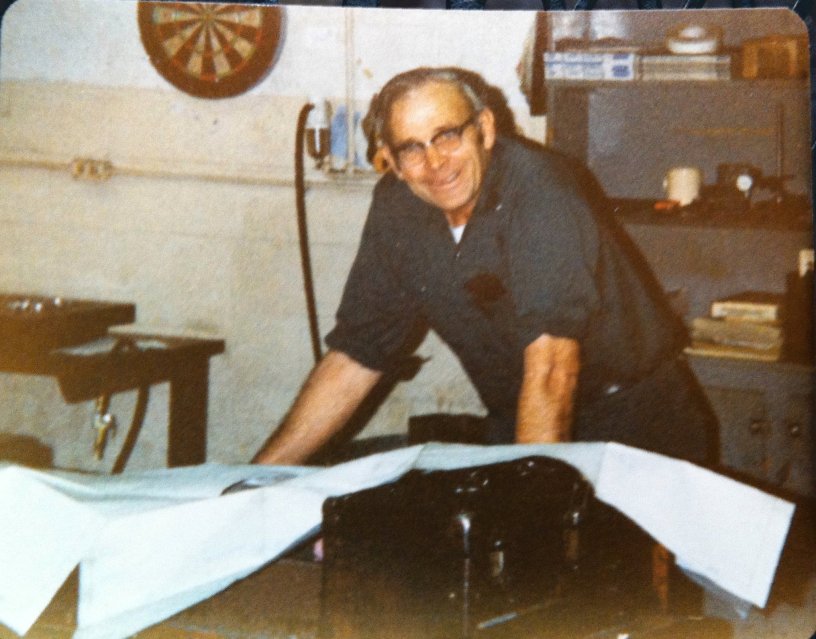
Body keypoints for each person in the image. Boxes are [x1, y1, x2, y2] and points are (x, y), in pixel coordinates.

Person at [253, 66, 718, 467]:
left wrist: (530, 503)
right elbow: (357, 355)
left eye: (447, 135)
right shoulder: (398, 209)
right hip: (523, 422)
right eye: (412, 149)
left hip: (638, 430)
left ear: (485, 129)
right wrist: (257, 478)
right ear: (391, 162)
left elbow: (553, 368)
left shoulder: (539, 192)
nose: (435, 162)